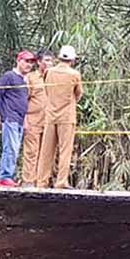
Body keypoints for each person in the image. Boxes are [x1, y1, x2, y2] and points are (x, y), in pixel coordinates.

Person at [35, 45, 84, 189]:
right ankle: (61, 181)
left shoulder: (49, 72)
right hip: (67, 117)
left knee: (46, 150)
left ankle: (41, 182)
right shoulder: (74, 74)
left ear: (59, 57)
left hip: (50, 115)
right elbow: (79, 93)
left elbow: (47, 88)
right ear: (73, 59)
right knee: (65, 150)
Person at [0, 50, 35, 187]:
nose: (29, 65)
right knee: (10, 148)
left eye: (31, 62)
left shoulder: (24, 81)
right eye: (26, 61)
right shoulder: (9, 76)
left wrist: (26, 121)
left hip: (20, 120)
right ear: (18, 61)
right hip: (10, 117)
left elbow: (24, 102)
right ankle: (5, 176)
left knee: (15, 148)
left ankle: (9, 176)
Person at [21, 50, 54, 187]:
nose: (49, 63)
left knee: (47, 153)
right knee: (31, 152)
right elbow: (23, 100)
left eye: (51, 61)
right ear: (39, 62)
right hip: (33, 120)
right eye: (46, 60)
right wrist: (24, 120)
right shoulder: (31, 78)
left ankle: (43, 182)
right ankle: (29, 182)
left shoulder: (54, 78)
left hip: (50, 121)